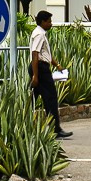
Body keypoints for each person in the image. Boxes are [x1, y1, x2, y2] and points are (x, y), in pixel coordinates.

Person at [29, 10, 71, 139]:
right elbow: (35, 54)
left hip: (40, 67)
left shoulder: (40, 33)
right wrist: (36, 76)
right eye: (49, 21)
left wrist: (57, 65)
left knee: (32, 98)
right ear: (42, 22)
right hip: (40, 69)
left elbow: (45, 54)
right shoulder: (39, 34)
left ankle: (25, 124)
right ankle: (55, 130)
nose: (51, 24)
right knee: (51, 98)